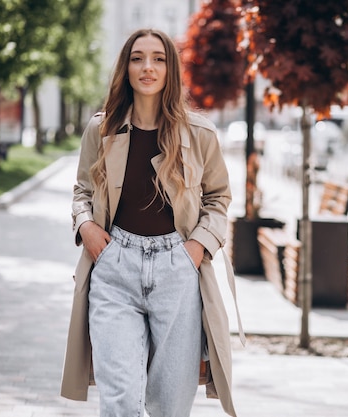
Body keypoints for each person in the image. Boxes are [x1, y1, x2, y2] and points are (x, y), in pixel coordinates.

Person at [60, 28, 244, 417]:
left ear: (170, 69)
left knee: (170, 406)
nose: (148, 67)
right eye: (138, 58)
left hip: (177, 271)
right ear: (126, 68)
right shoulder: (101, 128)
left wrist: (195, 249)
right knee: (121, 401)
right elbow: (82, 191)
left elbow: (218, 199)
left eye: (159, 58)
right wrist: (87, 228)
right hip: (114, 269)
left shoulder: (200, 133)